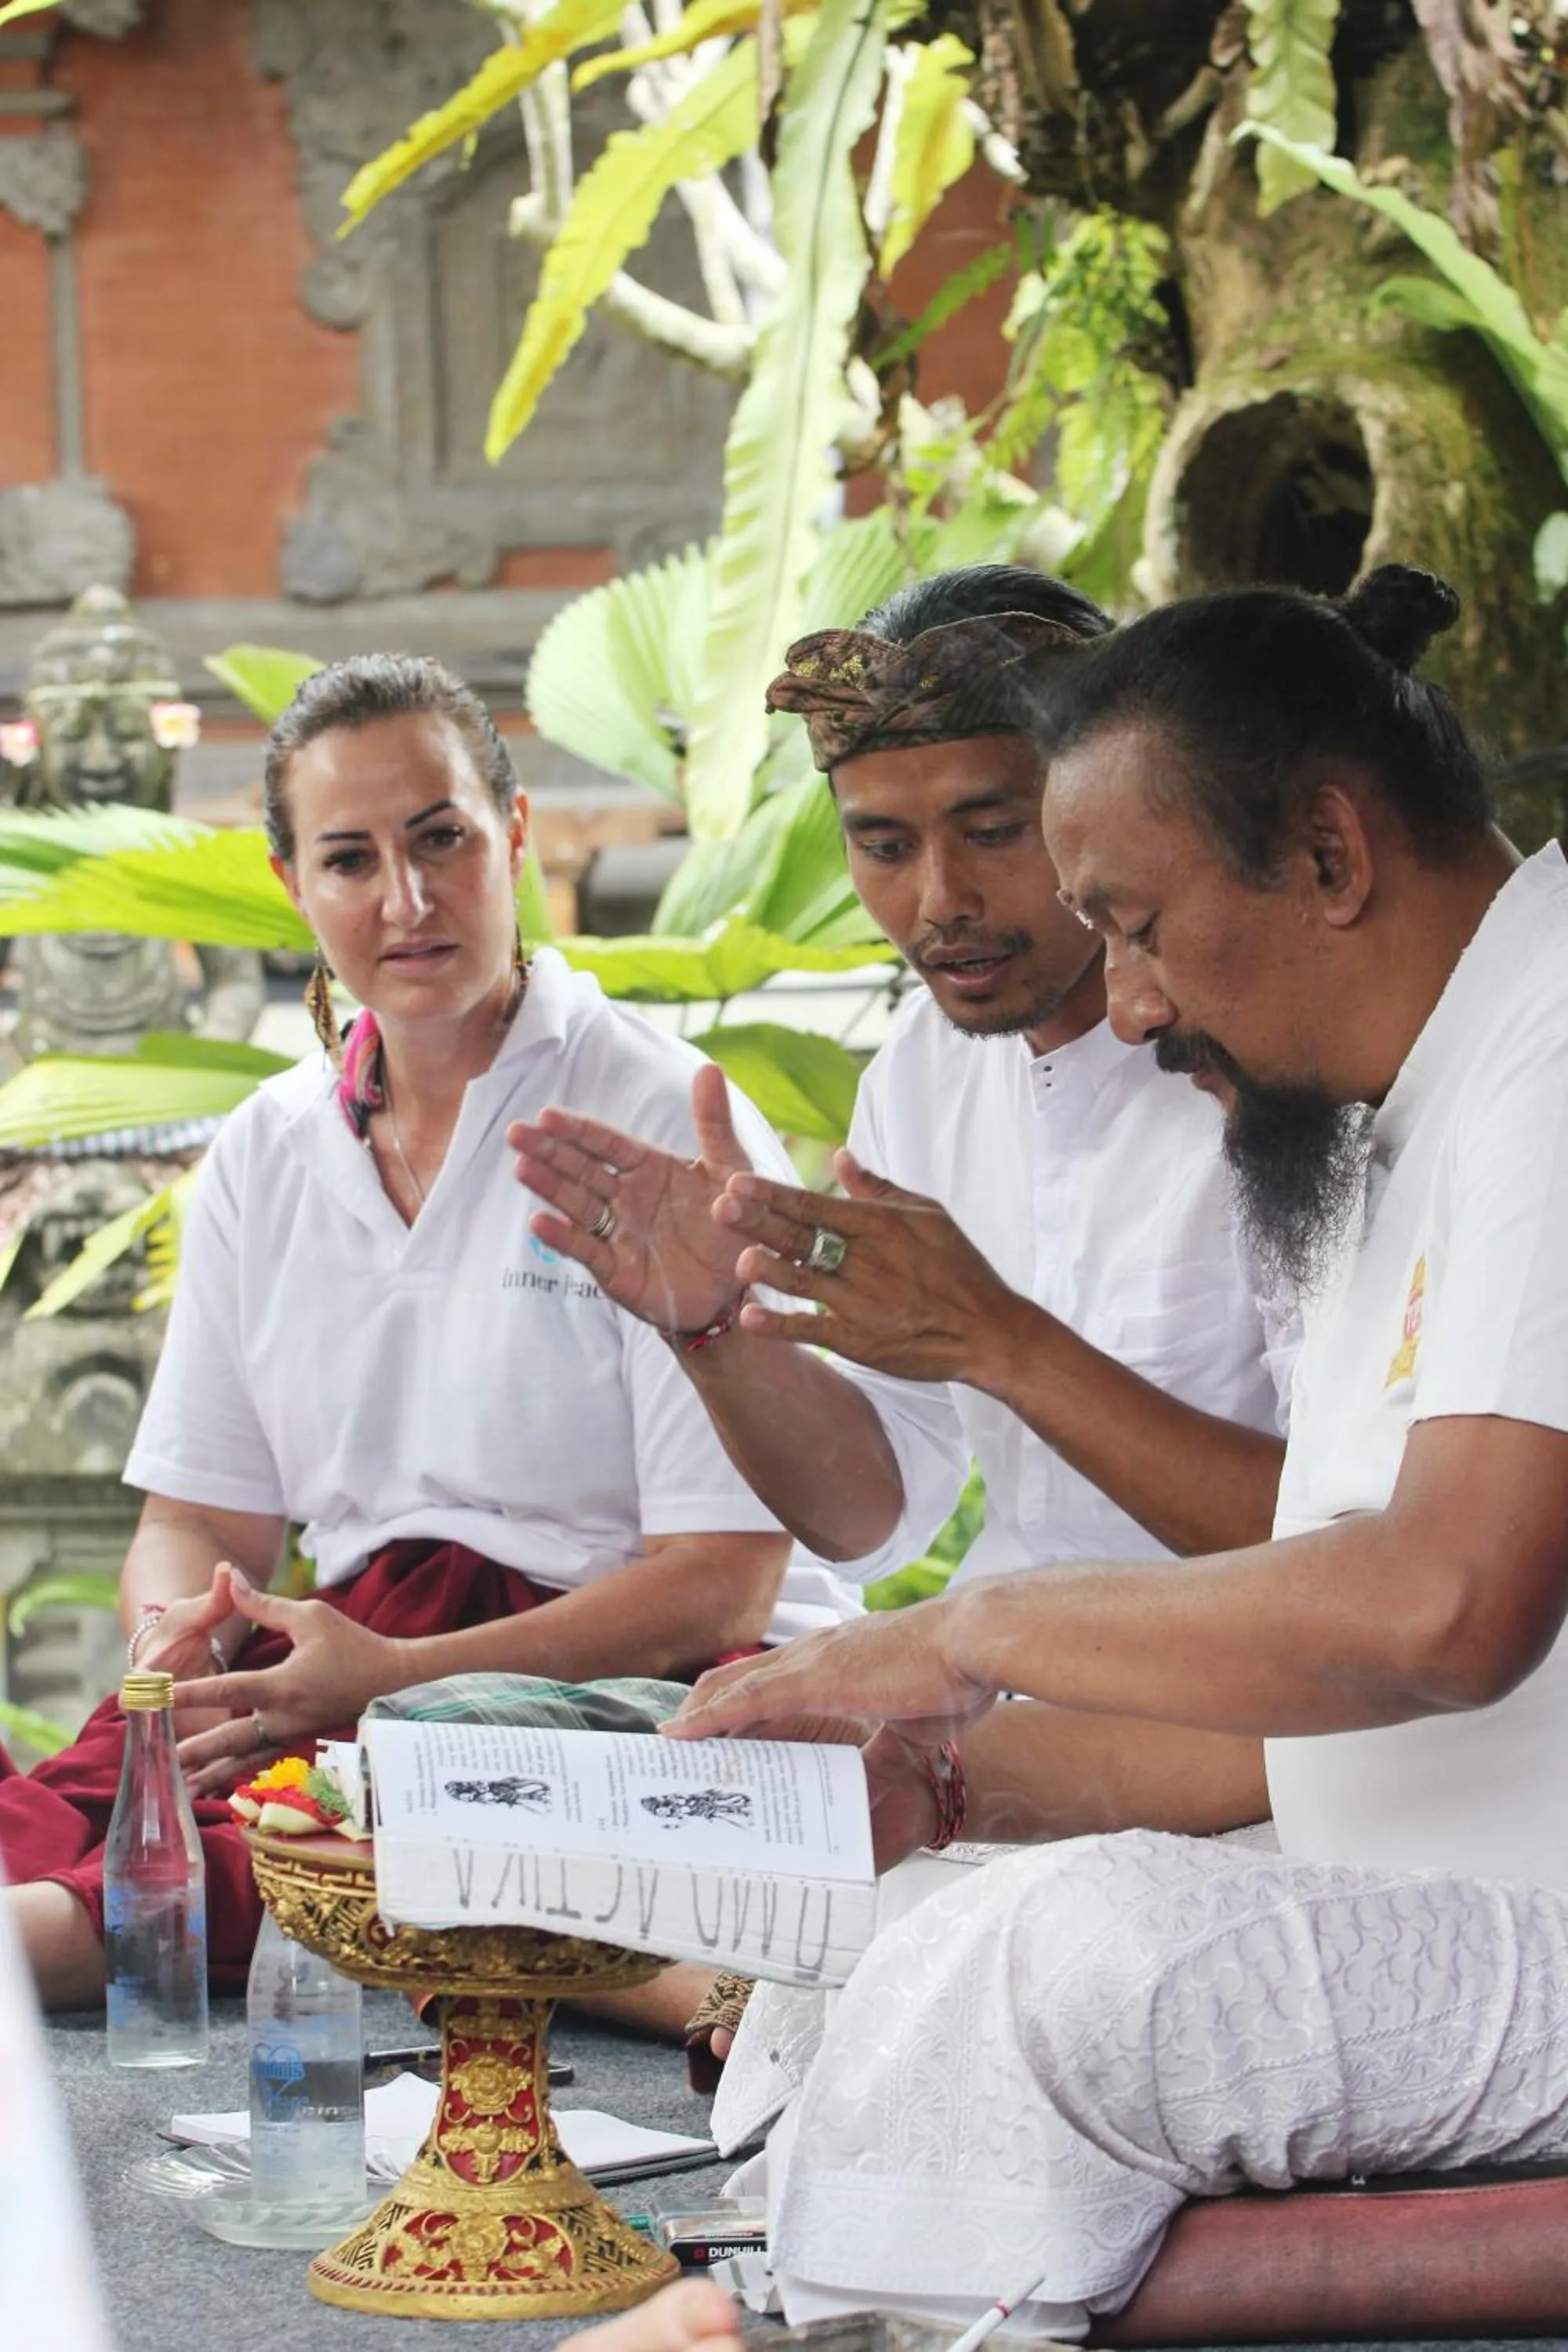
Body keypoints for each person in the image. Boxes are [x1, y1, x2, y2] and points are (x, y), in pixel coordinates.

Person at [648, 564, 1568, 2336]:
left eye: (1135, 925)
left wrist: (959, 1642)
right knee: (917, 1918)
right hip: (1421, 1872)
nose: (1127, 1008)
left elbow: (1441, 1614)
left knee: (1068, 1967)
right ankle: (785, 2304)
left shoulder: (1549, 1056)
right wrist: (952, 1773)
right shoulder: (1397, 1107)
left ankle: (774, 2327)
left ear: (1327, 855)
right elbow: (1317, 1709)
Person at [511, 564, 1294, 2071]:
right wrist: (713, 1331)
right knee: (481, 1818)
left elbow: (1355, 1564)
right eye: (883, 844)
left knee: (911, 2007)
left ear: (1095, 808)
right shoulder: (922, 1084)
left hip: (1233, 1750)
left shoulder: (1271, 1075)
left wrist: (1004, 1339)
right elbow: (873, 1509)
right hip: (977, 1717)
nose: (938, 902)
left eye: (993, 833)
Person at [0, 653, 857, 2009]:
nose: (405, 900)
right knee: (112, 1819)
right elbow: (201, 1523)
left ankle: (614, 1964)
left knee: (257, 1852)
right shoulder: (267, 1153)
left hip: (624, 1673)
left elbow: (724, 1586)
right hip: (347, 1658)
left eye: (441, 838)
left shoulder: (649, 1115)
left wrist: (397, 1677)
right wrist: (179, 1639)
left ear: (514, 835)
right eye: (350, 859)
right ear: (294, 886)